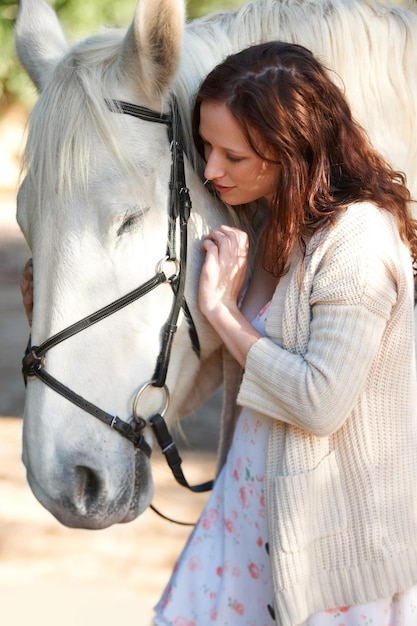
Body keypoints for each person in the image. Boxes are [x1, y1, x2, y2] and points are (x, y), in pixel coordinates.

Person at [21, 42, 417, 625]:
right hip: (247, 518)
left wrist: (223, 309)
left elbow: (318, 401)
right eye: (206, 147)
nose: (209, 171)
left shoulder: (358, 244)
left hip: (327, 554)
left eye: (232, 155)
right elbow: (235, 364)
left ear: (292, 151)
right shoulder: (276, 227)